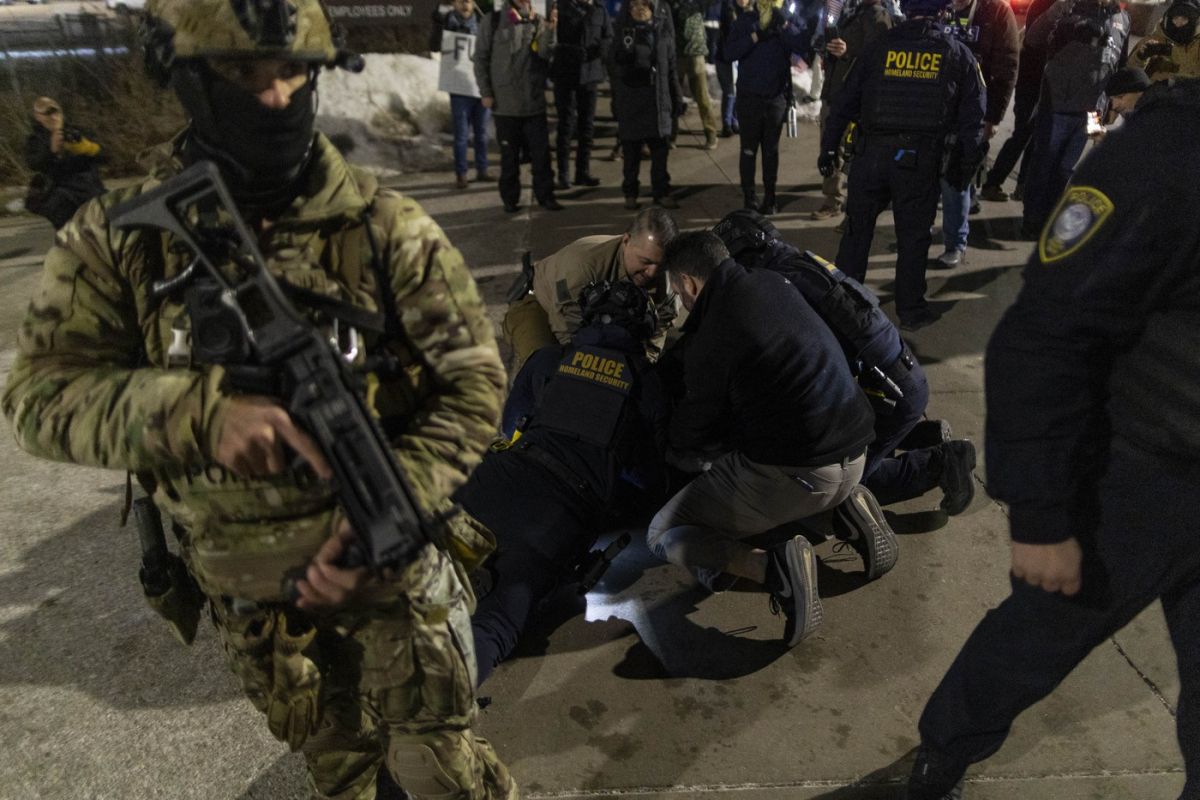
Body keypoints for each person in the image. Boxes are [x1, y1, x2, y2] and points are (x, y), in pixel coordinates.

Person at [1, 2, 516, 798]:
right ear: (187, 79)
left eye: (293, 73)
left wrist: (397, 503)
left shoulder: (383, 225)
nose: (274, 97)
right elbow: (39, 397)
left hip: (389, 574)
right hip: (260, 603)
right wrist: (198, 415)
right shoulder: (120, 237)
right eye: (243, 74)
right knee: (342, 772)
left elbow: (474, 382)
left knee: (441, 773)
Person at [907, 77, 1200, 800]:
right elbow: (1043, 338)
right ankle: (944, 752)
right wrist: (1041, 517)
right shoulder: (1165, 155)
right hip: (1140, 478)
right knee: (1033, 643)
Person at [646, 231, 877, 647]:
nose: (679, 300)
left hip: (803, 474)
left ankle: (774, 568)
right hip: (857, 452)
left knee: (663, 532)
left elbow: (691, 432)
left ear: (690, 284)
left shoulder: (714, 334)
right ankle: (848, 512)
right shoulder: (772, 281)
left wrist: (663, 425)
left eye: (677, 292)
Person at [712, 209, 978, 532]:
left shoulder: (779, 286)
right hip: (898, 383)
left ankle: (943, 462)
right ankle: (920, 435)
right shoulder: (794, 263)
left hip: (891, 393)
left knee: (835, 485)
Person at [459, 280, 670, 685]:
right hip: (559, 512)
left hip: (500, 475)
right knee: (496, 621)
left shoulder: (548, 359)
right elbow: (648, 479)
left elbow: (512, 423)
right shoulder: (647, 382)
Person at [819, 0, 986, 332]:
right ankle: (911, 311)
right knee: (913, 238)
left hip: (870, 156)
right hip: (917, 162)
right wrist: (965, 167)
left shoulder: (877, 47)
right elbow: (974, 119)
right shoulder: (956, 53)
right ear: (942, 11)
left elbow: (844, 102)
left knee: (856, 233)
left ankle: (844, 309)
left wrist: (829, 150)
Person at [502, 207, 680, 377]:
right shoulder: (583, 264)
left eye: (661, 265)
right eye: (645, 261)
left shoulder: (667, 282)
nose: (652, 273)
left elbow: (656, 334)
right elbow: (567, 331)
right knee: (544, 370)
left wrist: (641, 367)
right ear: (626, 241)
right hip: (541, 305)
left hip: (603, 320)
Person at [1019, 0, 1129, 238]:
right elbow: (1033, 39)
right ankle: (1032, 219)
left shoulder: (1122, 19)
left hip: (1093, 111)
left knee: (1065, 169)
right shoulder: (1070, 7)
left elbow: (1120, 66)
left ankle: (1050, 218)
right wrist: (1059, 10)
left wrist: (1111, 106)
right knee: (1044, 164)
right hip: (1057, 104)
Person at [932, 0, 1018, 269]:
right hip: (936, 108)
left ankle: (955, 244)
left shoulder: (997, 12)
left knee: (955, 180)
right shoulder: (939, 7)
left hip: (972, 111)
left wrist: (993, 117)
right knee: (934, 175)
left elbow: (1007, 67)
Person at [723, 0, 810, 215]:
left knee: (771, 151)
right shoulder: (746, 20)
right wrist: (755, 37)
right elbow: (729, 52)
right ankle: (749, 197)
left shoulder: (785, 20)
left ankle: (770, 198)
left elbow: (802, 46)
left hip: (775, 98)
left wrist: (785, 25)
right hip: (749, 98)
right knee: (748, 150)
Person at [475, 0, 563, 212]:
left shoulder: (539, 21)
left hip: (533, 102)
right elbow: (480, 59)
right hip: (504, 104)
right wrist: (486, 92)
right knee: (509, 157)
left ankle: (546, 196)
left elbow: (545, 54)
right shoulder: (493, 21)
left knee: (541, 156)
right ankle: (510, 200)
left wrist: (551, 30)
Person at [812, 0, 895, 221]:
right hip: (837, 90)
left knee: (850, 153)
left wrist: (847, 52)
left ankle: (844, 207)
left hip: (855, 97)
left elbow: (877, 59)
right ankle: (834, 200)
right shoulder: (855, 12)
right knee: (832, 148)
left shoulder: (878, 16)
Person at [978, 0, 1061, 203]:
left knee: (1035, 136)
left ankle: (1022, 185)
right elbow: (1033, 41)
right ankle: (993, 183)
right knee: (1023, 133)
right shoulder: (1046, 6)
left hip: (1044, 82)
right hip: (1032, 80)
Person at [610, 0, 685, 210]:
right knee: (631, 152)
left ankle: (661, 192)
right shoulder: (624, 32)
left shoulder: (662, 31)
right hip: (632, 98)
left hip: (657, 98)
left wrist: (677, 97)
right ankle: (630, 193)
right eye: (635, 6)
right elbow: (614, 65)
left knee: (660, 151)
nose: (640, 9)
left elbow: (671, 68)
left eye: (644, 5)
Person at [551, 0, 612, 189]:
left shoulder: (599, 10)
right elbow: (551, 39)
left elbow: (608, 35)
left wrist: (600, 50)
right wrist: (568, 51)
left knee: (587, 126)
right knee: (566, 125)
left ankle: (582, 172)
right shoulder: (560, 7)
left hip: (590, 74)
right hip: (566, 73)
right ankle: (563, 174)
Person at [23, 96, 105, 230]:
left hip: (89, 190)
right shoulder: (36, 140)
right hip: (61, 195)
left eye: (56, 112)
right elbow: (33, 163)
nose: (53, 117)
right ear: (38, 117)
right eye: (47, 114)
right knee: (69, 233)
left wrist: (86, 148)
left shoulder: (77, 132)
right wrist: (52, 151)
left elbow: (104, 156)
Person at [438, 0, 493, 189]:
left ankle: (482, 169)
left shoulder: (483, 23)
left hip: (480, 87)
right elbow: (435, 45)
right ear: (454, 3)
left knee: (481, 133)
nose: (465, 5)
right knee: (461, 135)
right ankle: (461, 173)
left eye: (468, 1)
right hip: (459, 88)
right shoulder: (446, 23)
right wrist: (438, 25)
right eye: (460, 1)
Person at [670, 0, 721, 149]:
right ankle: (671, 135)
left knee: (702, 96)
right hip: (676, 53)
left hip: (696, 52)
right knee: (673, 98)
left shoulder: (699, 3)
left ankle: (711, 134)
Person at [1129, 0, 1200, 81]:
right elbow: (1130, 73)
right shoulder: (1155, 39)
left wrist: (1170, 51)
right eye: (1175, 18)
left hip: (1184, 88)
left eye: (1184, 19)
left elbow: (1194, 75)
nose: (1179, 23)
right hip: (1151, 87)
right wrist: (1140, 56)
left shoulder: (1197, 46)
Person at [715, 0, 752, 137]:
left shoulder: (748, 11)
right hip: (726, 57)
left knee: (737, 90)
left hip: (738, 57)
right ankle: (727, 124)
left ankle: (734, 121)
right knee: (730, 91)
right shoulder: (729, 9)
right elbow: (731, 31)